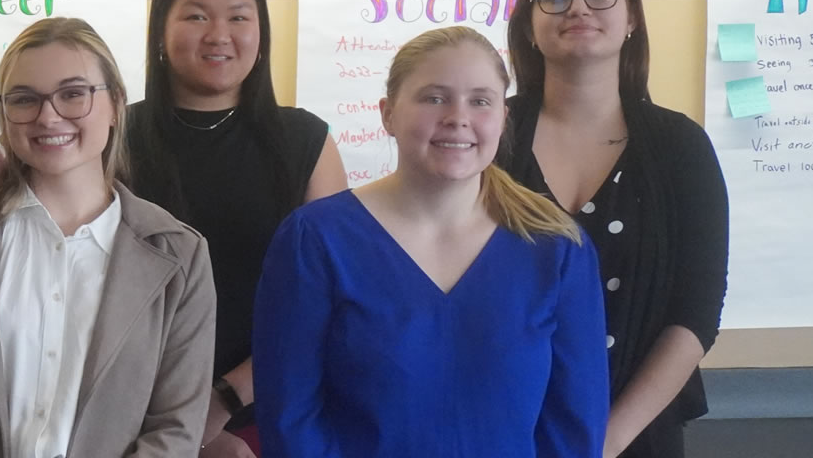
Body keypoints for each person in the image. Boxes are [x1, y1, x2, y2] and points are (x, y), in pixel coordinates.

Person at [253, 25, 608, 457]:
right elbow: (290, 417)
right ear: (388, 114)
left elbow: (574, 427)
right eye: (434, 98)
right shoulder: (314, 240)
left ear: (502, 118)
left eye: (480, 101)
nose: (457, 117)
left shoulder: (557, 249)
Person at [0, 17, 217, 457]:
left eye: (73, 94)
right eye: (24, 99)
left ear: (116, 104)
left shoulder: (179, 253)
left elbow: (176, 426)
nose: (48, 116)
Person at [498, 0, 729, 458]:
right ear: (529, 27)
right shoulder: (490, 135)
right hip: (499, 427)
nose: (578, 7)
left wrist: (605, 443)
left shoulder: (680, 146)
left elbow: (696, 312)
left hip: (636, 433)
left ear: (631, 18)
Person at [123, 0, 347, 456]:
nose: (219, 34)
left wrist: (225, 400)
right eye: (196, 16)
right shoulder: (114, 136)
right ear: (160, 31)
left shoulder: (306, 142)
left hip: (271, 411)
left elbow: (331, 297)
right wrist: (178, 426)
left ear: (260, 34)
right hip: (133, 417)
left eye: (238, 17)